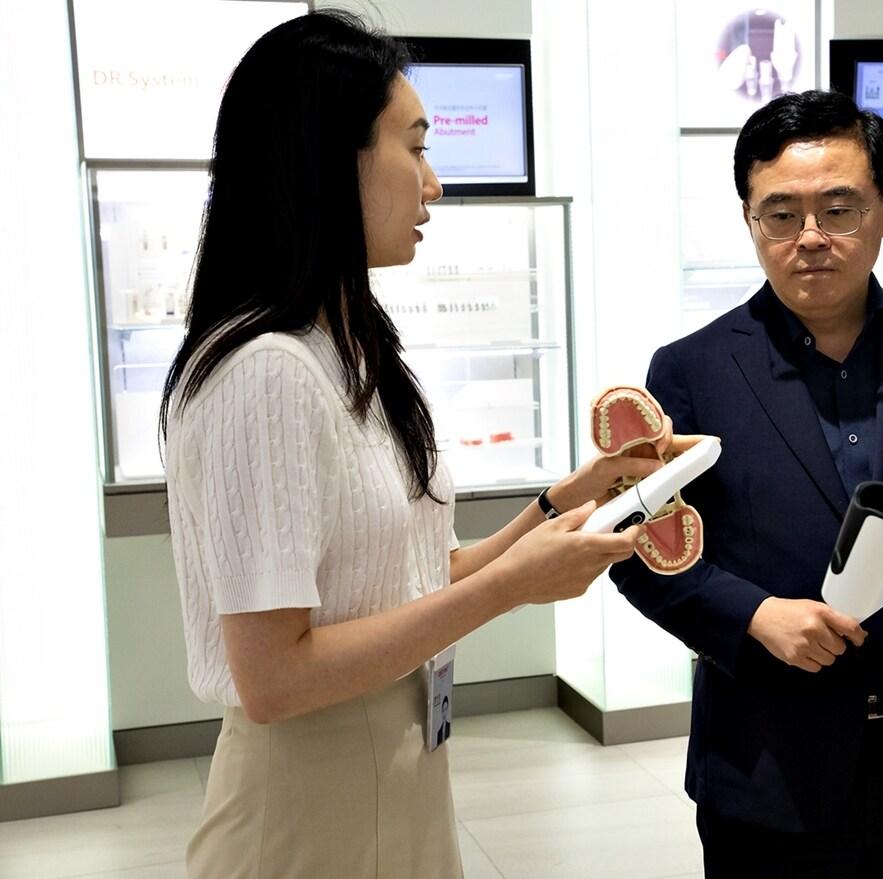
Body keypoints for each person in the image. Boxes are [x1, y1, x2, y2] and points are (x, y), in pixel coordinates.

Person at [160, 12, 666, 878]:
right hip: (312, 797)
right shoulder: (267, 370)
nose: (433, 184)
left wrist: (563, 502)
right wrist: (510, 587)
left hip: (400, 769)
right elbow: (275, 678)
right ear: (329, 158)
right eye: (416, 148)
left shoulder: (351, 347)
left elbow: (408, 578)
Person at [610, 89, 883, 878]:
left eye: (838, 209)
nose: (810, 238)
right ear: (748, 219)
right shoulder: (693, 370)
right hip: (768, 759)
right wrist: (754, 614)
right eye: (781, 214)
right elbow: (641, 553)